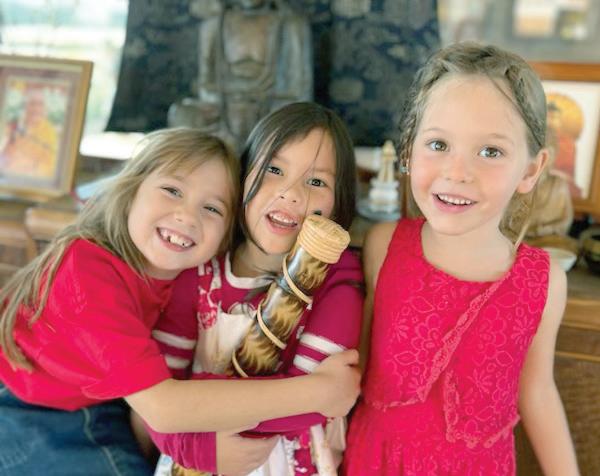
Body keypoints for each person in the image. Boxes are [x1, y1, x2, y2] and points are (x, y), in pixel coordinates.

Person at [0, 127, 360, 475]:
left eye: (212, 209)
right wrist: (317, 392)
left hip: (100, 400)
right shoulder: (87, 276)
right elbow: (163, 408)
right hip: (32, 410)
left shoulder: (185, 273)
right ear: (131, 190)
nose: (187, 216)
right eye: (172, 190)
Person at [342, 43, 579, 475]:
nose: (457, 172)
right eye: (438, 144)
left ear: (531, 170)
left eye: (490, 152)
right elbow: (352, 370)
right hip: (374, 461)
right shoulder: (383, 246)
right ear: (409, 150)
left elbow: (538, 392)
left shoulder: (545, 283)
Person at [144, 102, 364, 476]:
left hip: (287, 461)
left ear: (338, 202)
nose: (291, 193)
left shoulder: (338, 281)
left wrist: (193, 403)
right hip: (195, 454)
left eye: (316, 182)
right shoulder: (200, 268)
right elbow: (156, 394)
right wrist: (185, 434)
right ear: (242, 177)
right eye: (274, 170)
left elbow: (312, 405)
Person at [168, 0, 312, 152]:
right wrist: (235, 97)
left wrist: (258, 98)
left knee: (298, 122)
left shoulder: (291, 24)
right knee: (181, 114)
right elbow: (205, 87)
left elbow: (301, 92)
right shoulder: (213, 25)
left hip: (269, 103)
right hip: (225, 104)